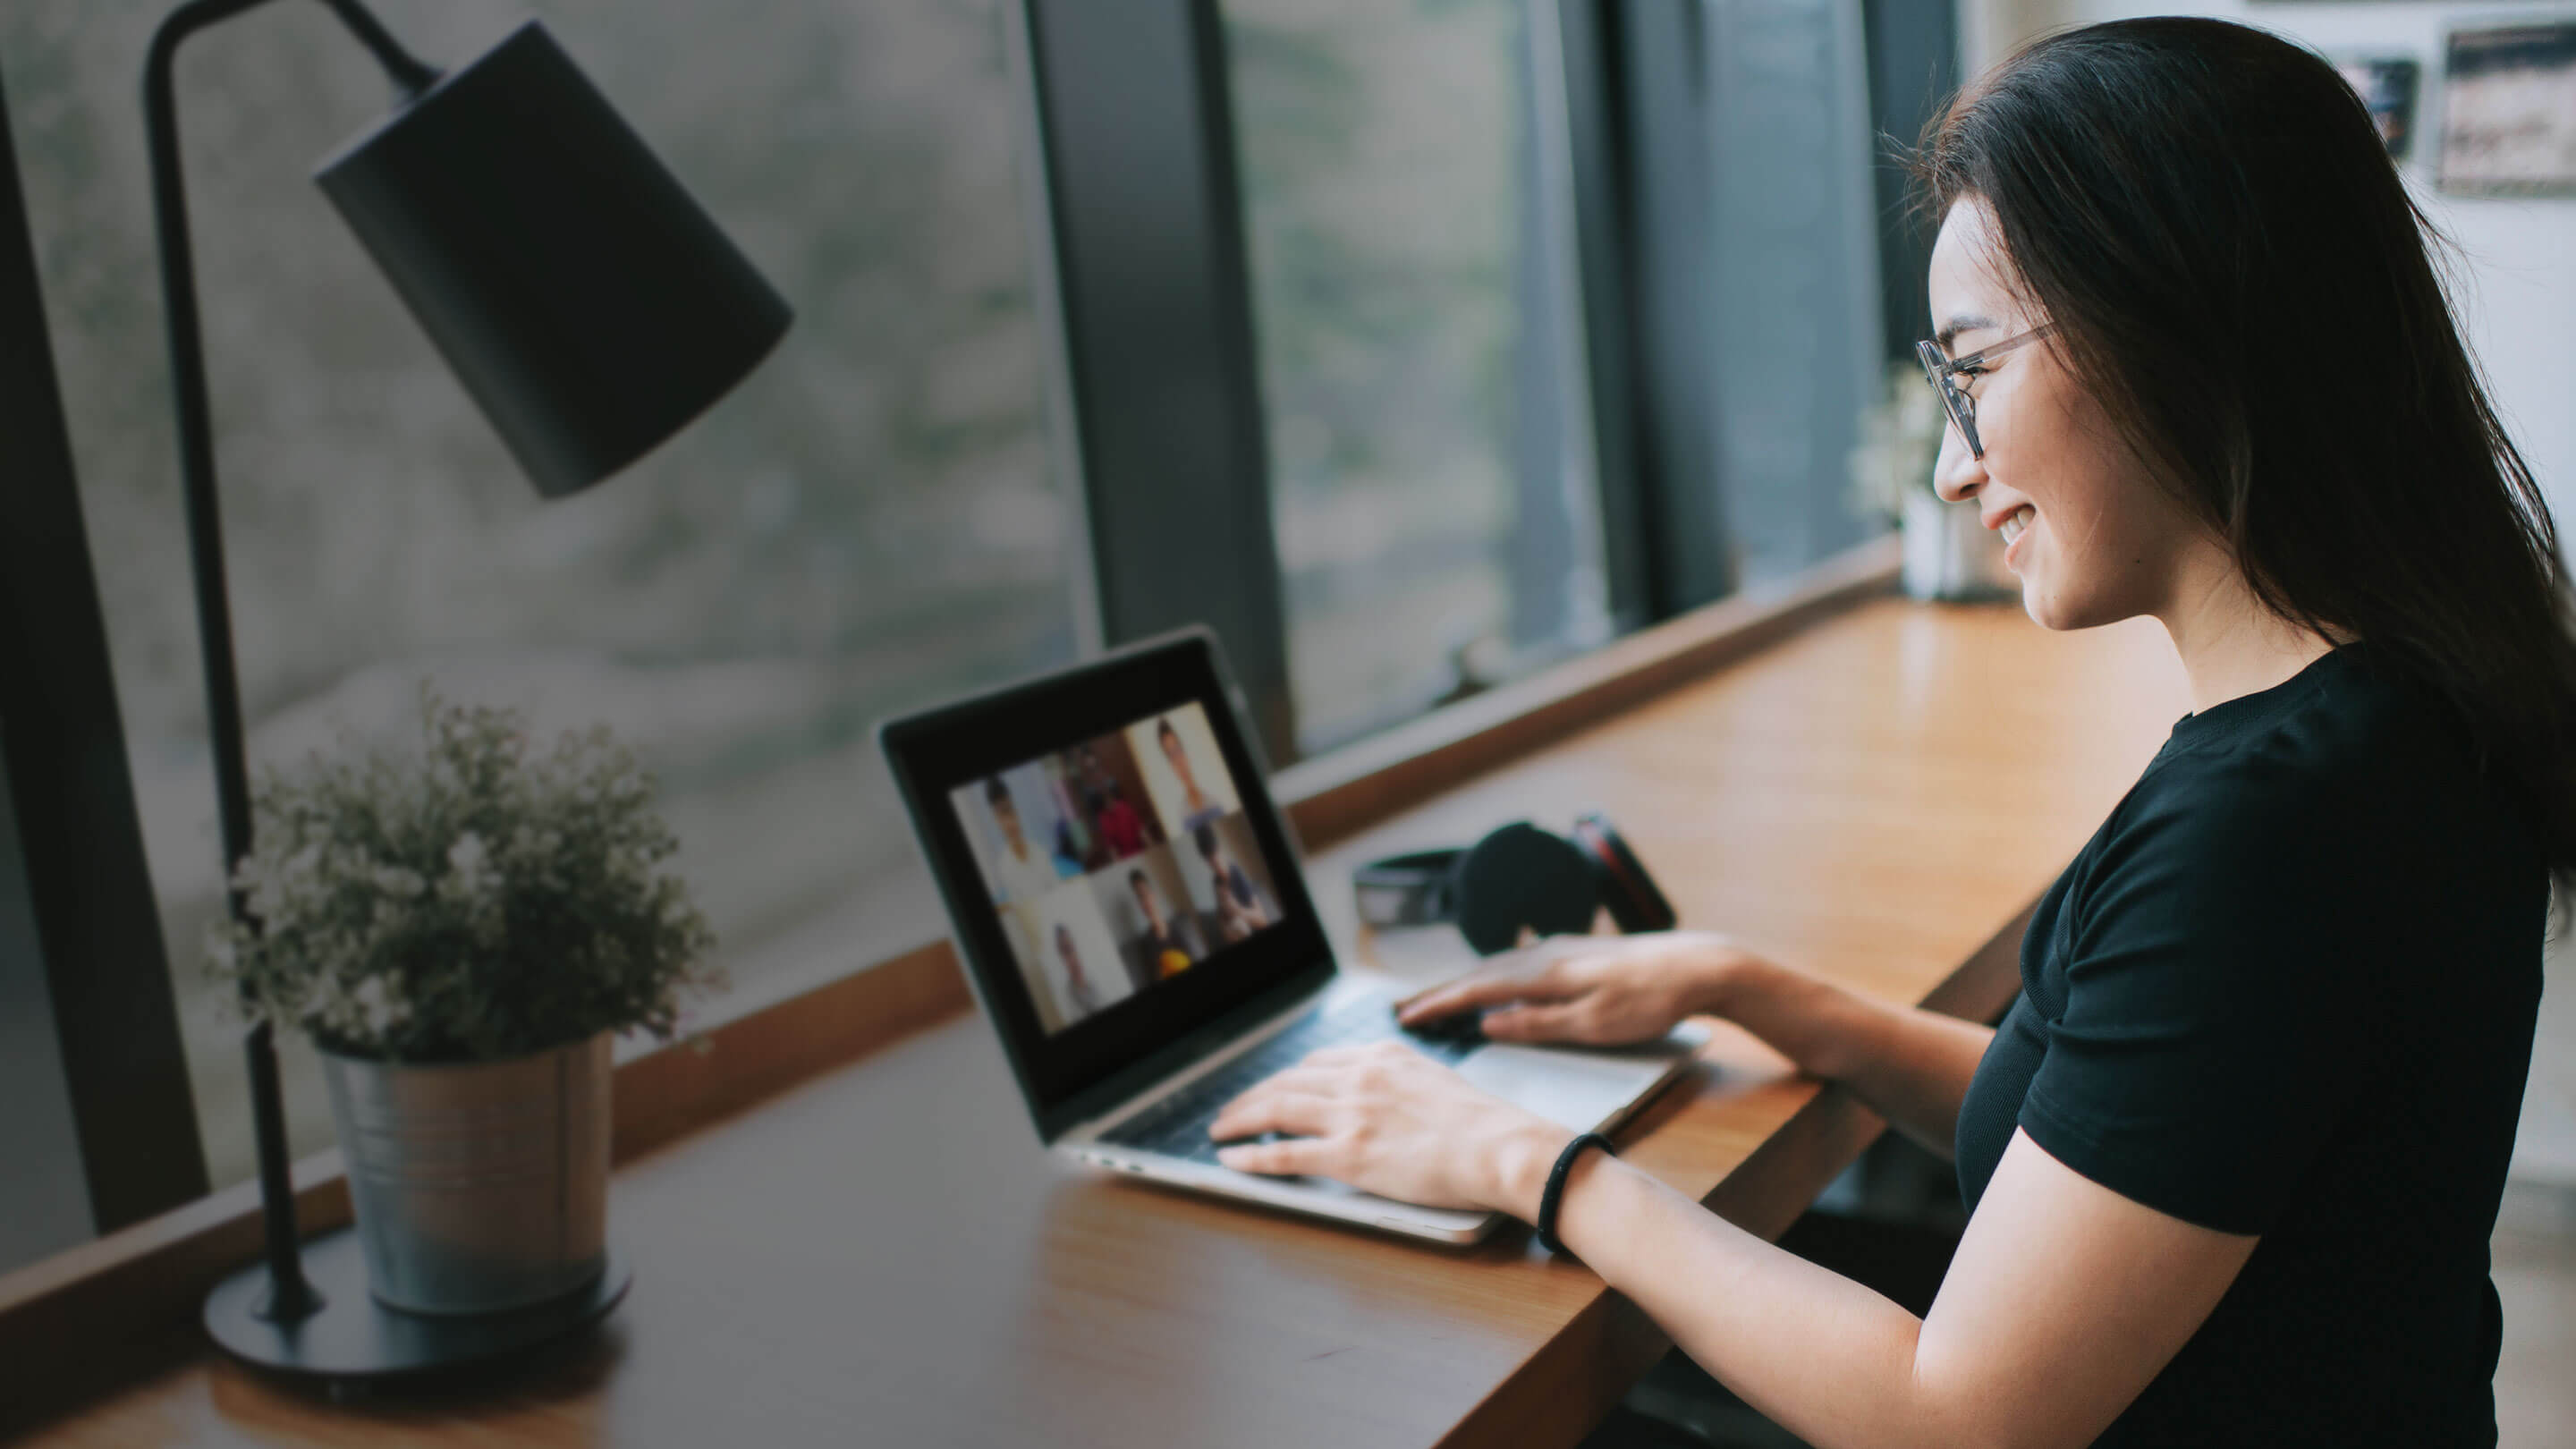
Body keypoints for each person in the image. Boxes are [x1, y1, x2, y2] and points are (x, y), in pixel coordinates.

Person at [1207, 20, 2576, 1448]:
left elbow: (1958, 1421)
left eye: (1972, 374)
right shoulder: (2385, 714)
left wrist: (1519, 1161)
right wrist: (1747, 988)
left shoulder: (2275, 835)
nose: (1947, 467)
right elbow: (2119, 1119)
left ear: (2176, 325)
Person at [980, 776, 1068, 905]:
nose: (1010, 823)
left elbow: (1059, 893)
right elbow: (1021, 910)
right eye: (1001, 816)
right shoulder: (1004, 867)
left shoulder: (1039, 851)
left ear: (1016, 812)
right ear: (996, 821)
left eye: (1011, 811)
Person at [1192, 822, 1275, 941]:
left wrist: (1238, 911)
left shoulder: (1237, 874)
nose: (1217, 868)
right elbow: (1222, 925)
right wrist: (1226, 929)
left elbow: (1263, 920)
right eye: (1212, 864)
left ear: (1221, 851)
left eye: (1217, 861)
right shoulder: (1216, 882)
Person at [1125, 869, 1204, 979]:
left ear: (1154, 895)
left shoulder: (1176, 928)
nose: (1145, 901)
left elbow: (1192, 958)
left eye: (1146, 894)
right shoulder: (1147, 942)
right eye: (1140, 897)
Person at [1155, 716, 1229, 835]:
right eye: (1171, 756)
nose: (1179, 762)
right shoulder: (1183, 817)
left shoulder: (1215, 798)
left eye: (1178, 750)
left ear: (1185, 752)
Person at [1055, 924, 1104, 1020]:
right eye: (1066, 951)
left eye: (1072, 948)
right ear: (1061, 957)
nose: (1073, 957)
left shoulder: (1093, 980)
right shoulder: (1067, 999)